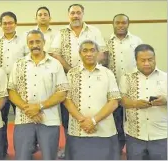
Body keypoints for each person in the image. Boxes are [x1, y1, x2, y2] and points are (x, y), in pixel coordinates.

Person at [50, 4, 107, 158]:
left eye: (78, 13)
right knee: (68, 114)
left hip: (93, 77)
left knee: (92, 109)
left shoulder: (94, 31)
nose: (75, 16)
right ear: (68, 15)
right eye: (72, 13)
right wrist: (70, 69)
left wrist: (89, 66)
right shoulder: (61, 33)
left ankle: (94, 148)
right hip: (68, 78)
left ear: (83, 14)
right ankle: (71, 149)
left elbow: (103, 53)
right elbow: (55, 54)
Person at [8, 30, 69, 160]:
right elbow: (11, 91)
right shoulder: (19, 64)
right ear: (27, 44)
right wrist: (29, 109)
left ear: (44, 42)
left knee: (49, 157)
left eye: (38, 41)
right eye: (31, 42)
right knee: (22, 157)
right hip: (24, 119)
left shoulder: (55, 64)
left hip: (49, 120)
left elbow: (62, 92)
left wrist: (39, 106)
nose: (35, 45)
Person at [64, 40, 121, 160]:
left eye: (92, 50)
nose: (89, 54)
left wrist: (93, 121)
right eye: (85, 50)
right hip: (78, 130)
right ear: (80, 53)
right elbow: (67, 101)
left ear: (98, 53)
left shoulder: (107, 73)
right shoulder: (71, 74)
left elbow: (114, 102)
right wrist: (83, 121)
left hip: (104, 130)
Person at [119, 44, 167, 160]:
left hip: (161, 135)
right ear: (136, 61)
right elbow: (121, 101)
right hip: (135, 135)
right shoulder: (126, 78)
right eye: (143, 60)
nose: (147, 63)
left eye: (150, 60)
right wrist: (135, 104)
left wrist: (165, 100)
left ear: (155, 59)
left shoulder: (165, 77)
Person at [0, 11, 27, 158]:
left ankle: (24, 150)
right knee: (1, 120)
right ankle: (2, 150)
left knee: (23, 120)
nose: (8, 26)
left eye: (10, 23)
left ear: (16, 24)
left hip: (19, 88)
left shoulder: (24, 41)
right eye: (5, 23)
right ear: (1, 25)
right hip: (0, 88)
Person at [106, 13, 143, 151]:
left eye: (124, 23)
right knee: (116, 119)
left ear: (128, 24)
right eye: (118, 23)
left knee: (133, 117)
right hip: (113, 87)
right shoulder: (106, 42)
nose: (121, 25)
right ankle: (118, 146)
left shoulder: (137, 41)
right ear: (113, 24)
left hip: (133, 87)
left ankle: (135, 146)